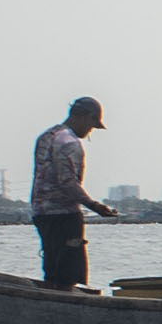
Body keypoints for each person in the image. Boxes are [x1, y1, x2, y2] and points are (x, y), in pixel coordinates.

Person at [29, 97, 116, 288]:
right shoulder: (69, 142)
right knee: (69, 274)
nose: (90, 131)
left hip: (41, 214)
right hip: (64, 215)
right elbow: (67, 183)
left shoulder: (46, 136)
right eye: (92, 125)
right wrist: (95, 205)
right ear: (88, 117)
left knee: (52, 270)